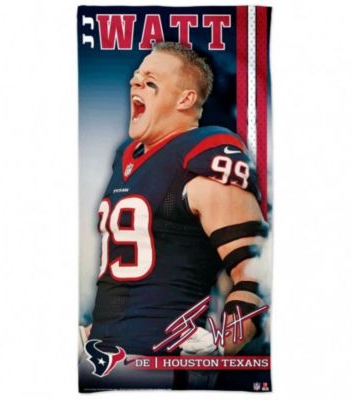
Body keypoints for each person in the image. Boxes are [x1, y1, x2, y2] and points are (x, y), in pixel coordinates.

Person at [80, 42, 269, 389]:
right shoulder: (126, 159)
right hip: (103, 359)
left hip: (165, 364)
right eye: (136, 77)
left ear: (185, 99)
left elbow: (257, 275)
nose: (135, 83)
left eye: (150, 81)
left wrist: (223, 345)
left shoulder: (205, 155)